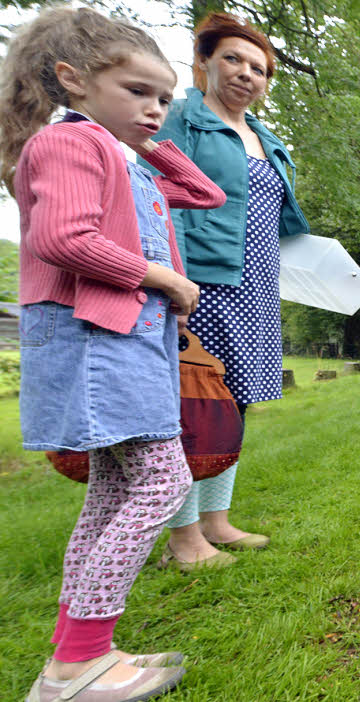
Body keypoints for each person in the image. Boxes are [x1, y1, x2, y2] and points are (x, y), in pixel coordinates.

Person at [0, 8, 226, 701]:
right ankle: (77, 664)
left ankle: (79, 656)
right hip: (95, 338)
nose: (155, 109)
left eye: (164, 98)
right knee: (159, 483)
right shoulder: (67, 146)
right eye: (137, 92)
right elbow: (63, 240)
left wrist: (147, 140)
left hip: (121, 340)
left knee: (113, 493)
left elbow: (204, 193)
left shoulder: (112, 150)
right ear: (72, 80)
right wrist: (161, 276)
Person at [144, 12, 309, 570]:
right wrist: (167, 273)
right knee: (192, 404)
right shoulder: (183, 120)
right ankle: (182, 537)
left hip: (256, 285)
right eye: (233, 60)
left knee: (232, 404)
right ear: (205, 63)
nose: (246, 74)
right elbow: (148, 195)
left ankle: (216, 519)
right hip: (201, 280)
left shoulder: (265, 138)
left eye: (258, 68)